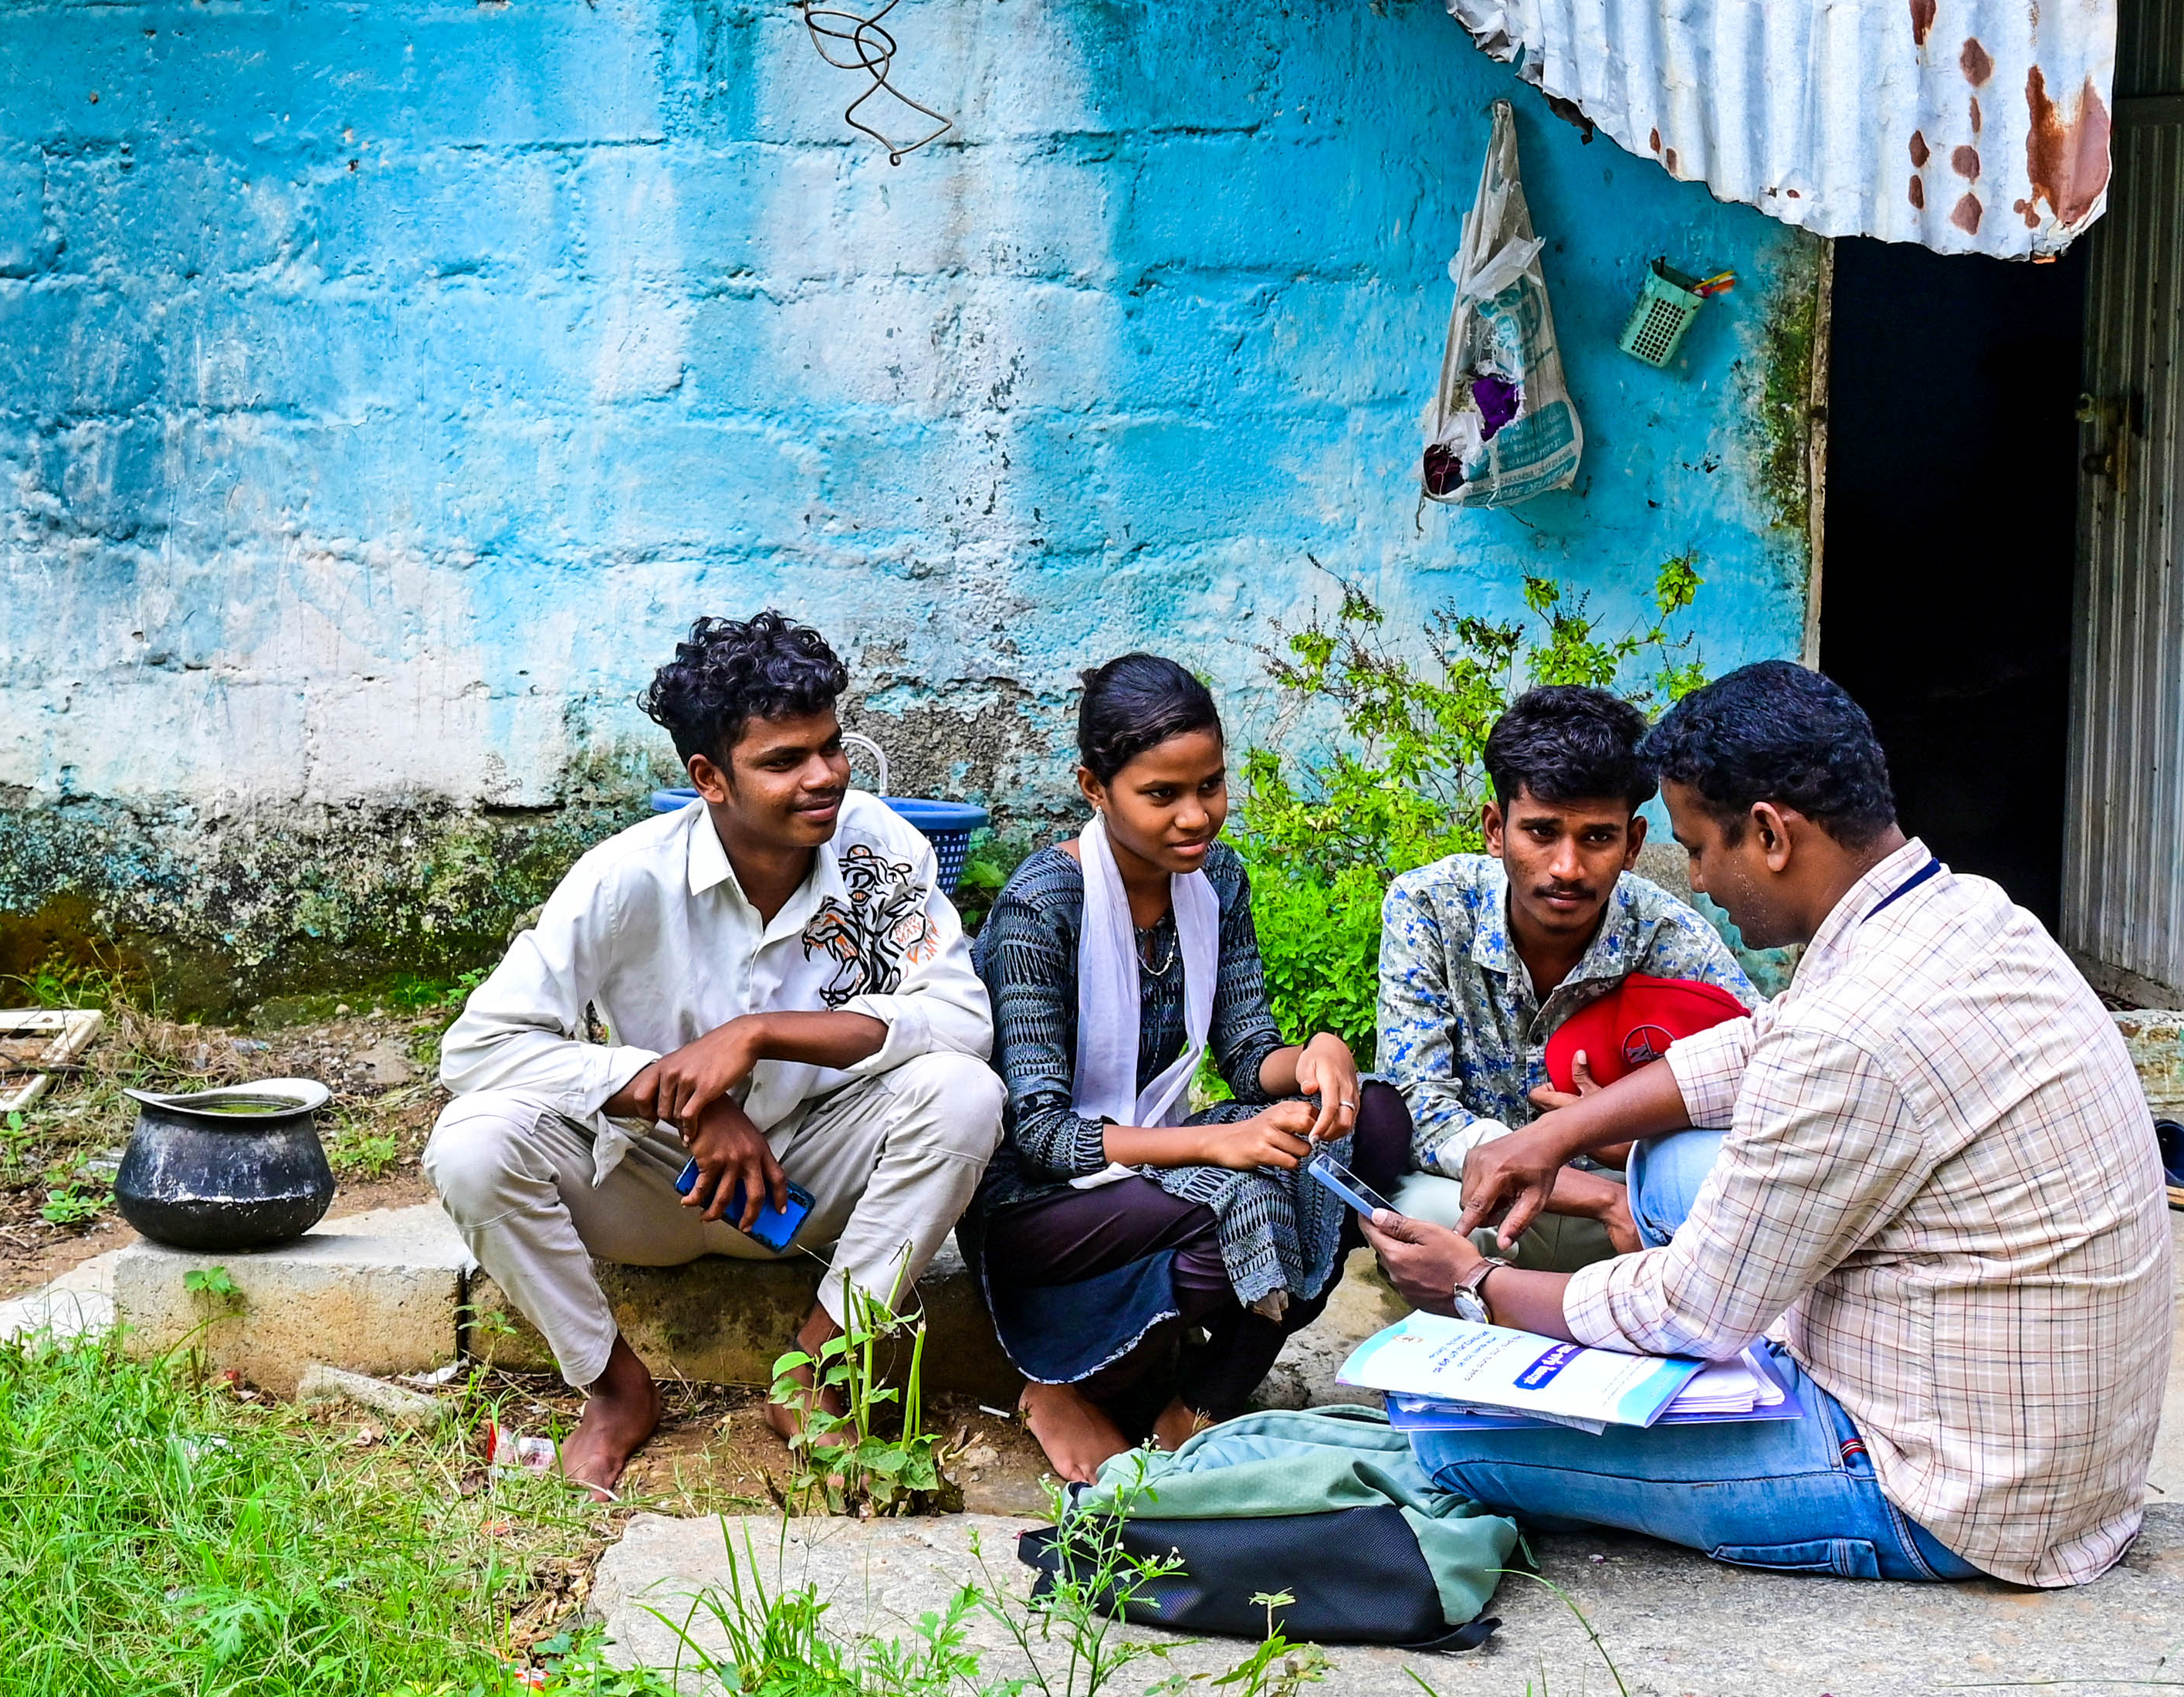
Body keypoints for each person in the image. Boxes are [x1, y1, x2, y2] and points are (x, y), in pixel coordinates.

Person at [1364, 661, 2176, 1589]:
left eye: (1700, 849)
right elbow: (1757, 1043)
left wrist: (1476, 1284)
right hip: (2049, 1451)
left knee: (1454, 1448)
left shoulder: (1851, 1031)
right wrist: (1560, 1130)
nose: (1699, 880)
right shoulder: (1962, 912)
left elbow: (1688, 1309)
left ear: (1768, 834)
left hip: (1943, 1489)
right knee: (1669, 1171)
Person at [426, 612, 1002, 1494]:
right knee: (470, 1142)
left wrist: (760, 1034)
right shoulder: (626, 877)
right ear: (709, 778)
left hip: (815, 1181)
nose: (823, 779)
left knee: (963, 1094)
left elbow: (959, 1017)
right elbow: (478, 1046)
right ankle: (616, 1393)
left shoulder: (881, 849)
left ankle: (813, 1374)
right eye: (783, 761)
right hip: (658, 1186)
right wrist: (679, 1096)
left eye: (830, 746)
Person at [963, 655, 1414, 1483]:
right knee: (1235, 1199)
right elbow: (1038, 1137)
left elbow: (1248, 1056)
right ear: (1094, 787)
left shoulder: (1217, 880)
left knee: (1373, 1121)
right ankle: (1070, 1378)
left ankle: (1203, 1401)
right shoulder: (1041, 906)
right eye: (1161, 794)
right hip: (1036, 1205)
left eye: (1209, 785)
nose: (1195, 815)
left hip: (1148, 1160)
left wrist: (1316, 1056)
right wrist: (1217, 1147)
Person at [1376, 684, 1759, 1269]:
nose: (1567, 868)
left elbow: (1764, 1089)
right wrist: (1594, 1194)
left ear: (1632, 843)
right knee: (1419, 1218)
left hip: (1631, 1222)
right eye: (1541, 832)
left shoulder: (1668, 936)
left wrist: (1624, 1144)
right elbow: (1419, 1107)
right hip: (1487, 1204)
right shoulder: (1430, 905)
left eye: (1598, 838)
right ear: (1494, 829)